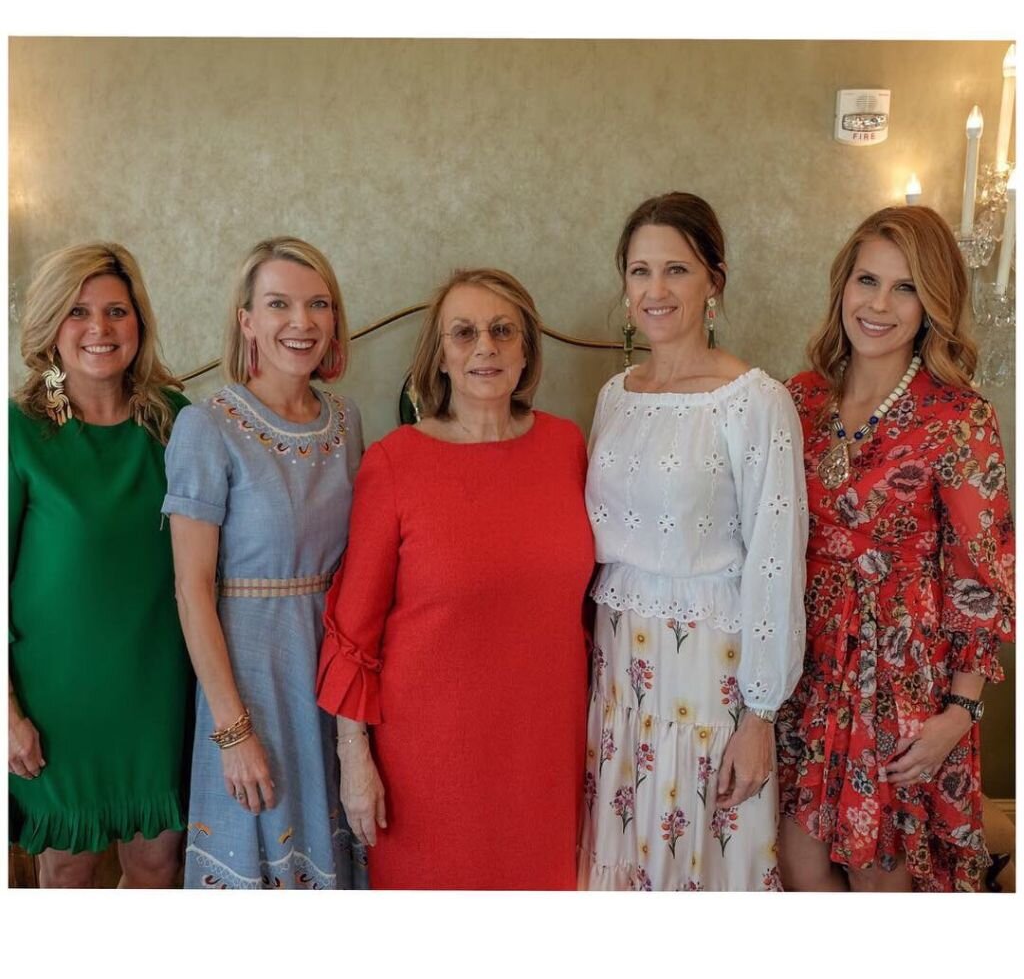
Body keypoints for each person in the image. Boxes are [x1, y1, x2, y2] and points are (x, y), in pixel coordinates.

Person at [316, 268, 594, 889]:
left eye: (502, 331)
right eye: (463, 333)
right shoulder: (395, 462)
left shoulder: (567, 446)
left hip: (545, 748)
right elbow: (352, 631)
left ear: (527, 350)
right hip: (429, 764)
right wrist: (353, 758)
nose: (485, 348)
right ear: (439, 356)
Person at [777, 205, 1015, 892]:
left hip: (903, 683)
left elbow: (983, 573)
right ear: (842, 288)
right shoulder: (799, 400)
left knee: (883, 880)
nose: (879, 304)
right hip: (808, 672)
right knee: (796, 871)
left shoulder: (957, 415)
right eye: (867, 280)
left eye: (904, 287)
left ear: (932, 303)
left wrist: (958, 713)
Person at [578, 192, 808, 891]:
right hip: (621, 666)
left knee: (705, 859)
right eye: (640, 270)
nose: (655, 290)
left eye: (675, 269)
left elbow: (776, 557)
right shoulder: (615, 395)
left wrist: (759, 715)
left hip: (712, 673)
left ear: (715, 278)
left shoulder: (754, 400)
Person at [162, 237, 366, 889]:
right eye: (279, 304)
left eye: (318, 305)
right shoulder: (207, 425)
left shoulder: (348, 420)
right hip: (249, 684)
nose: (301, 323)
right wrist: (233, 732)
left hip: (331, 676)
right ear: (247, 320)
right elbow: (191, 590)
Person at [9, 242, 191, 887]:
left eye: (117, 310)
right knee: (68, 870)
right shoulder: (19, 432)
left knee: (157, 865)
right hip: (55, 701)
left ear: (139, 321)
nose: (100, 329)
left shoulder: (178, 422)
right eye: (78, 312)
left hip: (159, 690)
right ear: (50, 328)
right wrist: (7, 713)